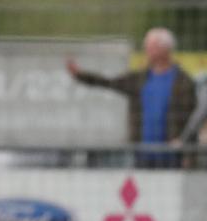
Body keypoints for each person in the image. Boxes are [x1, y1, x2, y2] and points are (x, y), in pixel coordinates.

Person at [66, 27, 196, 167]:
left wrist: (186, 148)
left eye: (151, 46)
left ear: (165, 49)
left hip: (171, 156)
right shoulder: (140, 79)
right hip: (141, 154)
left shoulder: (183, 81)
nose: (146, 49)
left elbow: (192, 118)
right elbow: (109, 82)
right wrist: (81, 75)